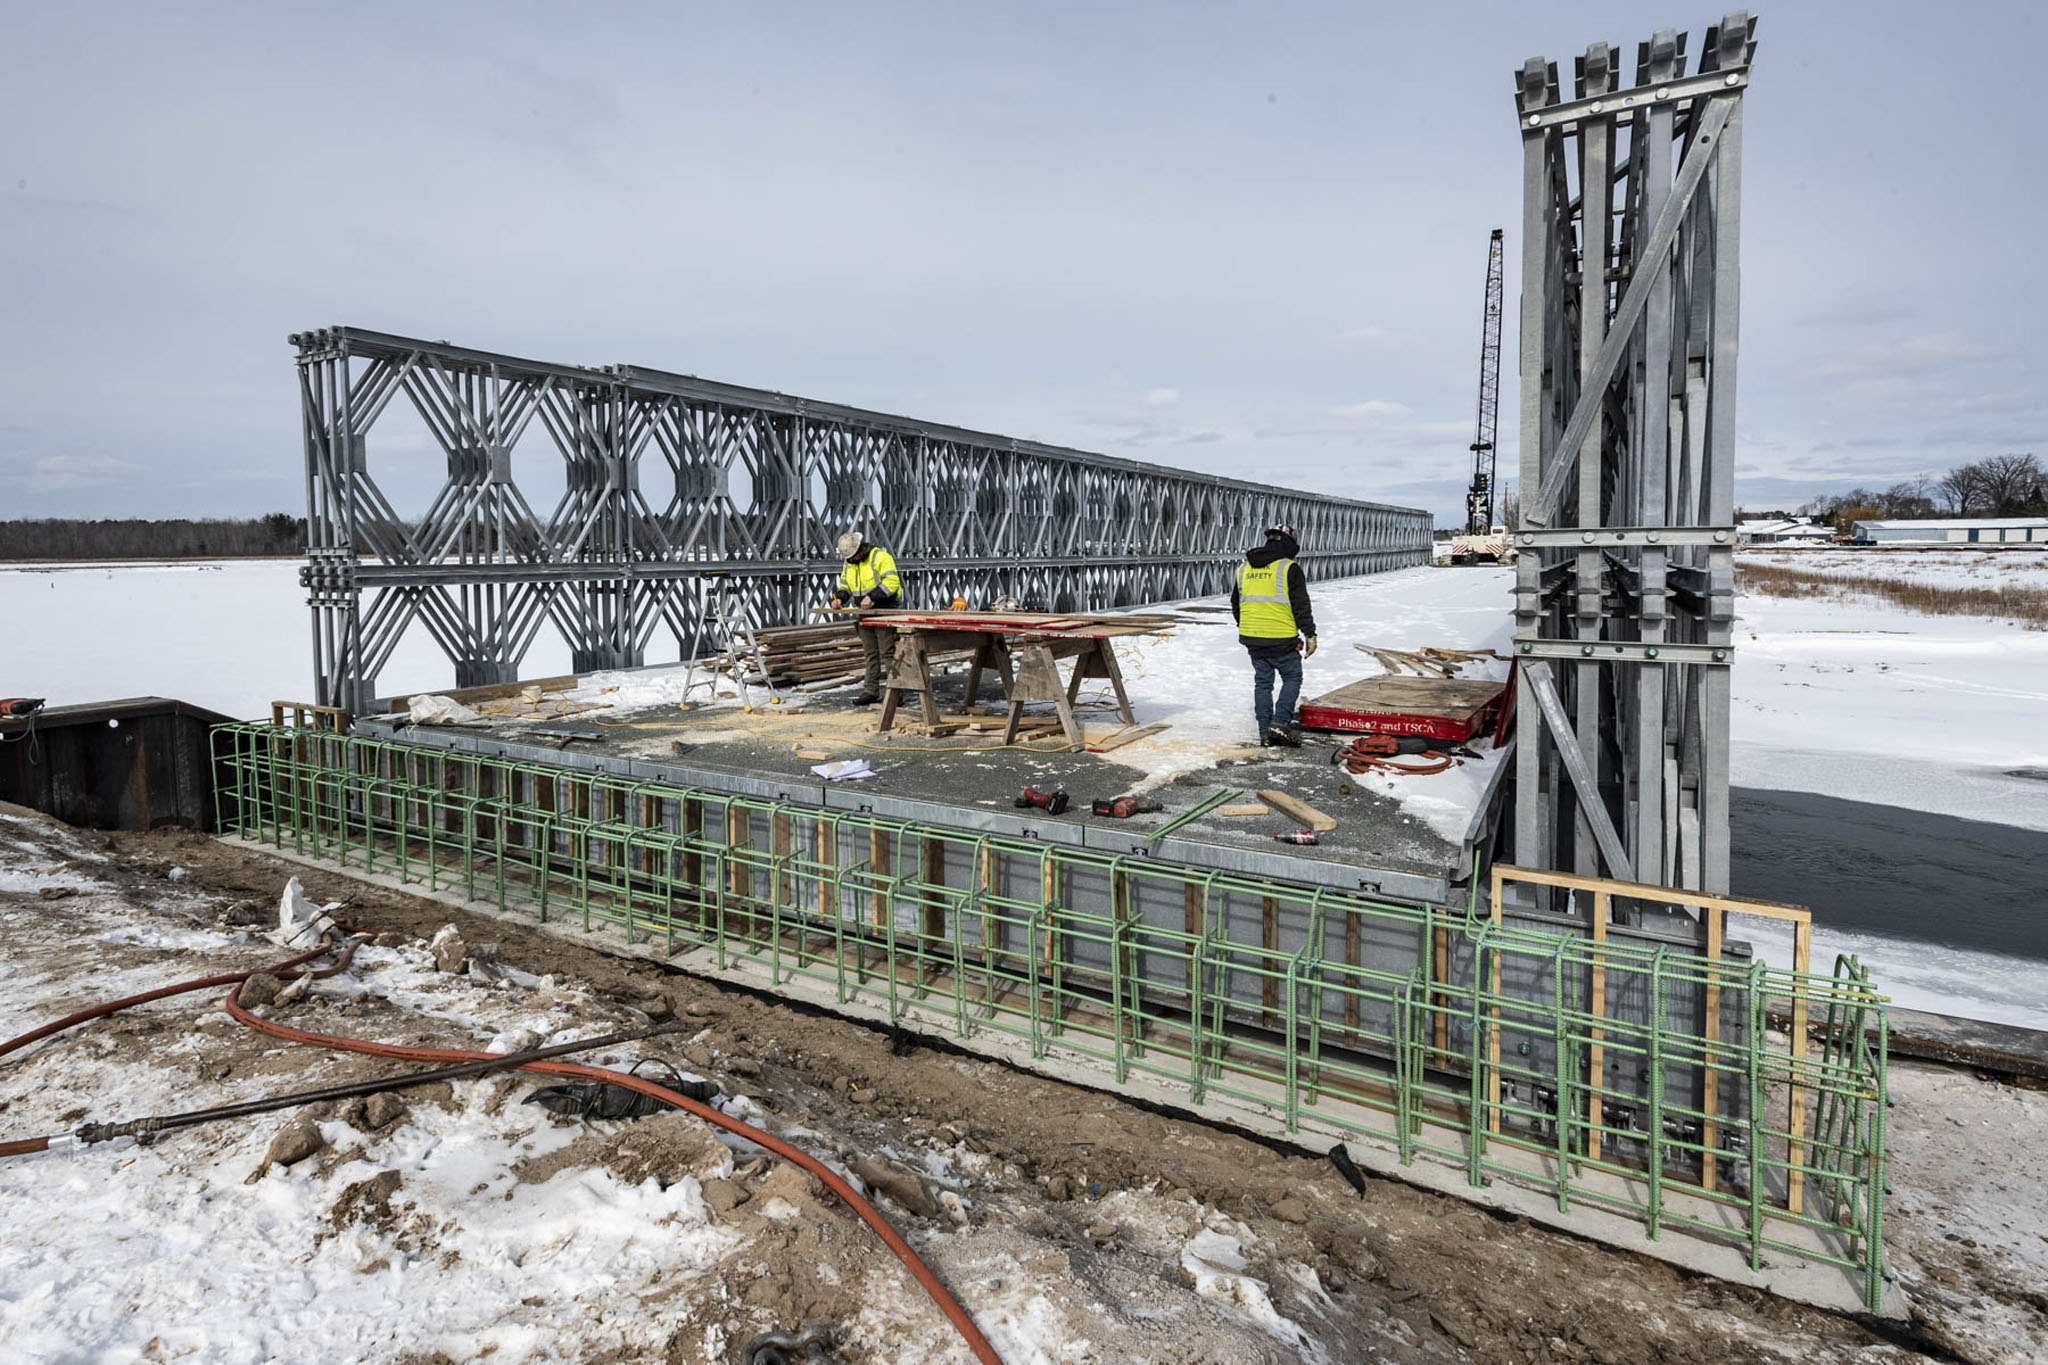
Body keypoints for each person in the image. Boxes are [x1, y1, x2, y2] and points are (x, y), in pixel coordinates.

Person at [1230, 523, 1317, 747]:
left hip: (1252, 638)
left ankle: (1263, 731)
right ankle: (1279, 723)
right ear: (1289, 544)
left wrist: (1248, 627)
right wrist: (1310, 634)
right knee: (1292, 677)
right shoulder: (1289, 568)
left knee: (1262, 682)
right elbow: (1301, 605)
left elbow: (1236, 604)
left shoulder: (1244, 568)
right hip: (1282, 639)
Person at [828, 530, 903, 704]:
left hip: (884, 610)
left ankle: (896, 694)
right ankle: (870, 691)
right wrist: (840, 598)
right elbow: (846, 585)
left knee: (887, 653)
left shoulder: (881, 558)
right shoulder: (850, 563)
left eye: (853, 557)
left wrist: (873, 597)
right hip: (863, 612)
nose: (851, 560)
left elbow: (892, 583)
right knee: (870, 653)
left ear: (861, 550)